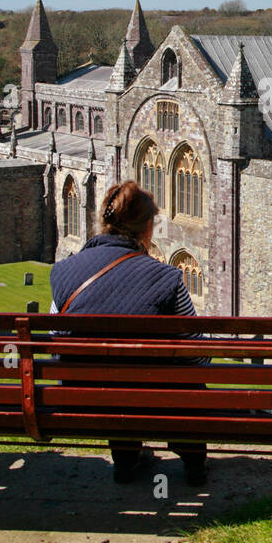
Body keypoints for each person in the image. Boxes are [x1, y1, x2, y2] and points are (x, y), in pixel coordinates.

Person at [50, 180, 210, 487]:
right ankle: (194, 463)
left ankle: (125, 461)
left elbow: (56, 343)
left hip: (82, 397)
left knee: (111, 379)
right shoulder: (167, 279)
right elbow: (198, 354)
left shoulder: (63, 271)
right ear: (147, 227)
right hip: (156, 399)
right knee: (182, 379)